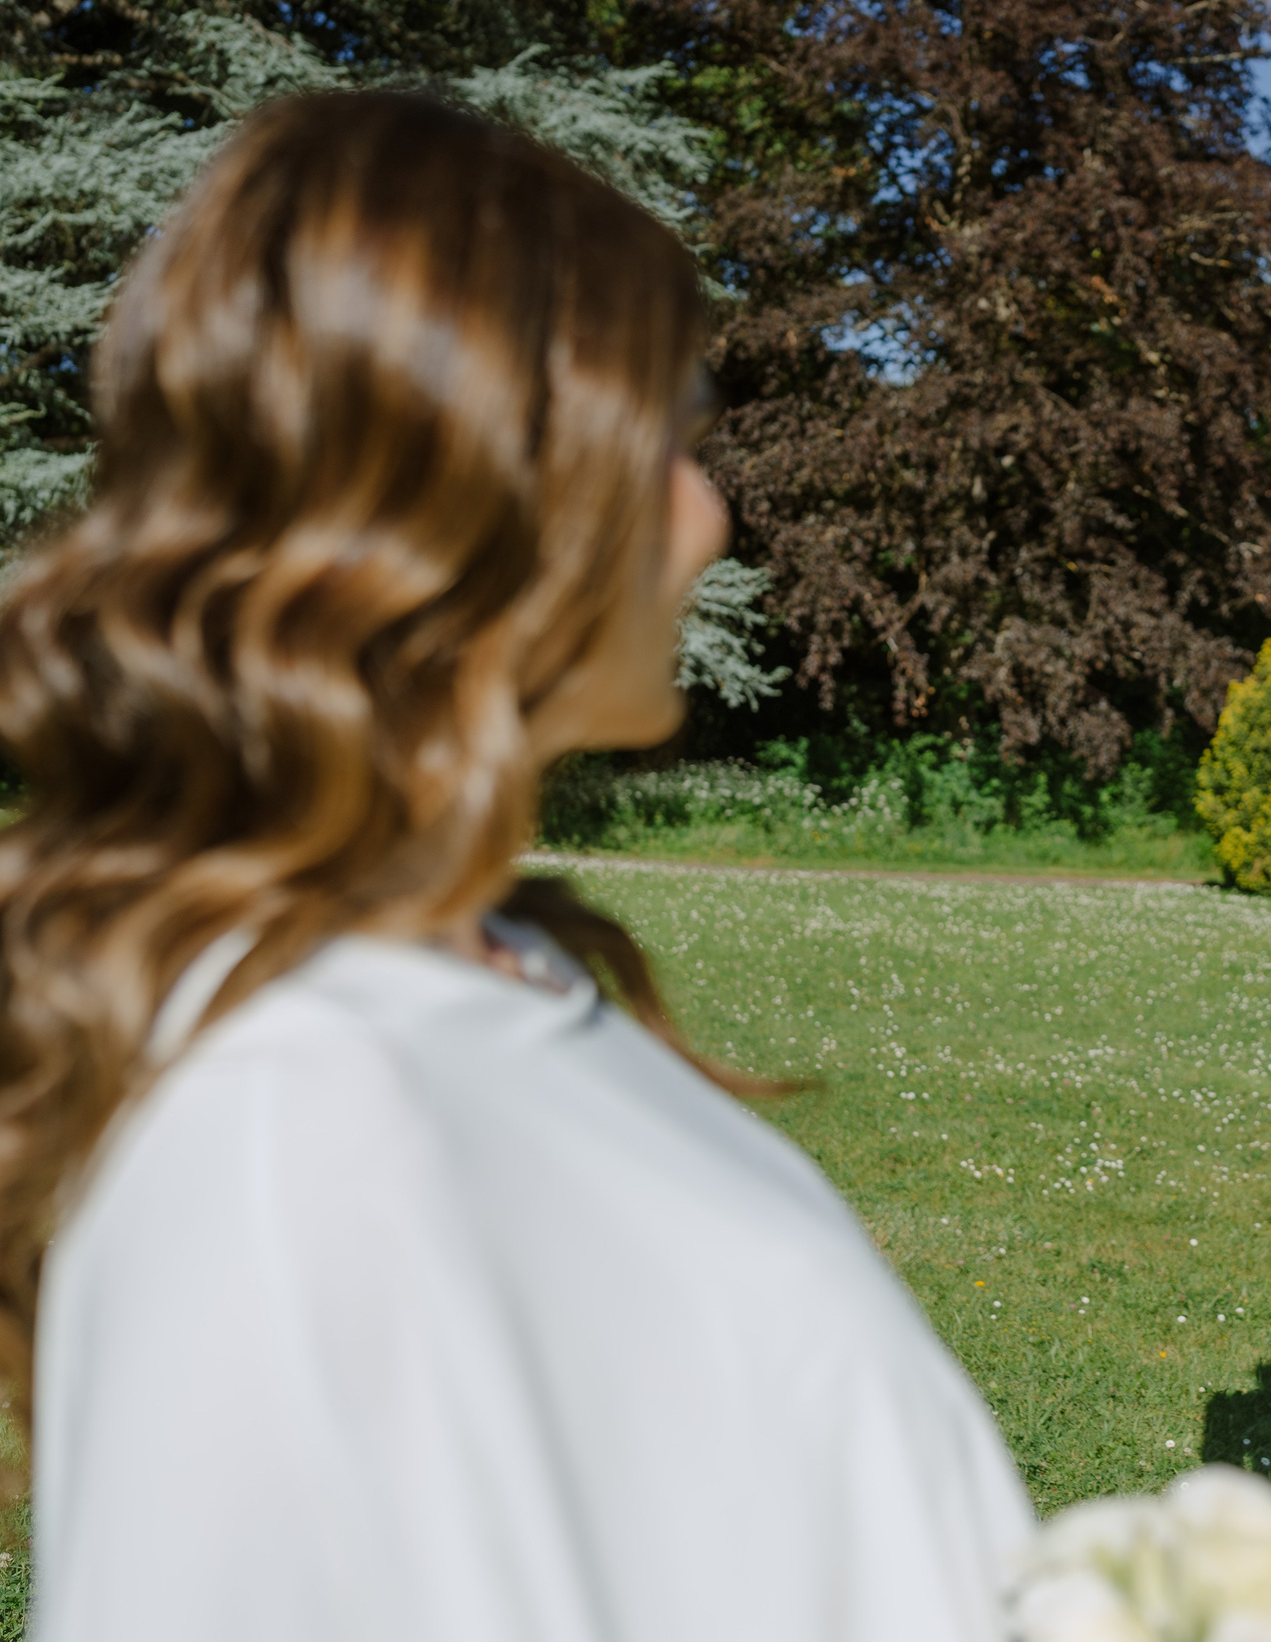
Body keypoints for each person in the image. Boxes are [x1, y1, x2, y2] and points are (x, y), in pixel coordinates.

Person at [1, 92, 1030, 1641]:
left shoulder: (502, 977)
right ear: (494, 484)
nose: (712, 513)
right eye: (672, 440)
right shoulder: (289, 1127)